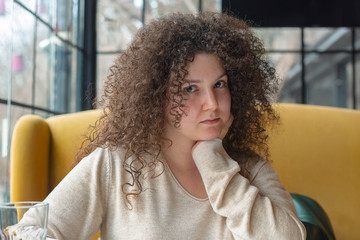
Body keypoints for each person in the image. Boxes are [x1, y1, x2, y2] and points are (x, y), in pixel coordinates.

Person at [42, 12, 306, 239]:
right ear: (157, 95)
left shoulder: (252, 169)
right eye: (190, 89)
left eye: (219, 84)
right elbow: (32, 231)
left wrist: (212, 158)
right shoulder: (116, 165)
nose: (212, 103)